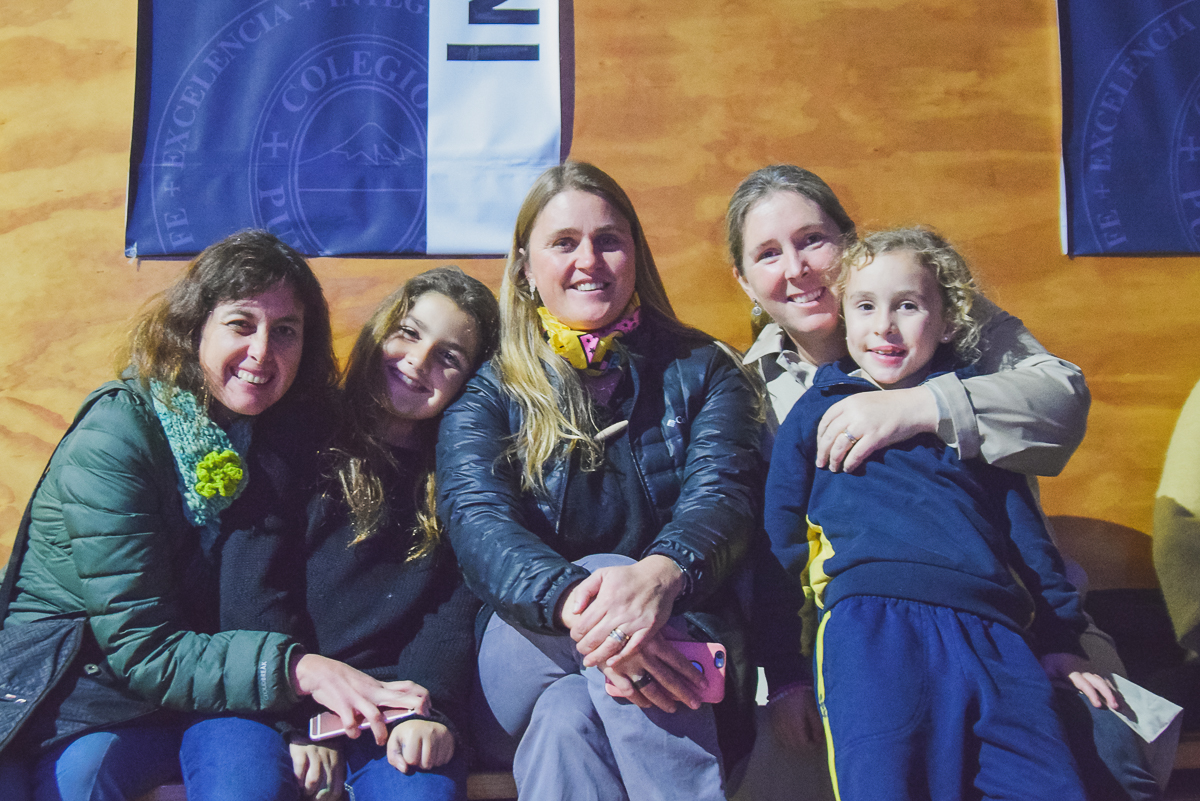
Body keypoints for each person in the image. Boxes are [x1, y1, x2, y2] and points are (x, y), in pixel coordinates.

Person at [727, 165, 1160, 801]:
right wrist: (786, 670)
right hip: (858, 626)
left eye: (813, 240)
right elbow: (774, 547)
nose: (797, 269)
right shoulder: (743, 386)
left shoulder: (945, 322)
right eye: (768, 254)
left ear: (849, 243)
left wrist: (922, 407)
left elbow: (1062, 398)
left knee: (1110, 751)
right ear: (743, 280)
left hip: (1012, 607)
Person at [0, 230, 427, 801]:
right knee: (82, 778)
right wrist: (300, 670)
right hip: (80, 685)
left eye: (286, 331)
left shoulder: (280, 431)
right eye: (241, 324)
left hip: (194, 689)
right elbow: (143, 647)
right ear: (194, 328)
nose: (262, 351)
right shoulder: (117, 437)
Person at [436, 161, 797, 800]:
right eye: (563, 243)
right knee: (607, 575)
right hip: (526, 649)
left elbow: (724, 498)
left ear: (635, 254)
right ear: (525, 267)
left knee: (566, 720)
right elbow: (478, 525)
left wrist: (660, 577)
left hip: (685, 639)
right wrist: (603, 610)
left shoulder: (704, 370)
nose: (589, 261)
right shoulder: (490, 394)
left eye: (608, 240)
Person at [223, 266, 501, 801]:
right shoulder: (294, 432)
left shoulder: (465, 474)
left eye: (448, 357)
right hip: (284, 686)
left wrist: (433, 710)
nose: (417, 360)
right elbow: (252, 584)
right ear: (379, 330)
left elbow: (458, 607)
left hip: (399, 702)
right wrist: (297, 715)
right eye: (408, 333)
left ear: (472, 381)